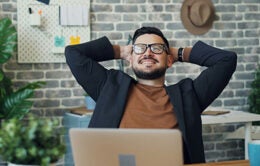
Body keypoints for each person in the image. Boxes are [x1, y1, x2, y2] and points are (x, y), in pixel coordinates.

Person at [65, 27, 237, 164]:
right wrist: (121, 51)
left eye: (156, 48)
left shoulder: (189, 95)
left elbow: (226, 60)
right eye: (140, 48)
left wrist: (177, 52)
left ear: (169, 60)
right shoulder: (109, 87)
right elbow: (73, 53)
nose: (148, 53)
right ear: (130, 59)